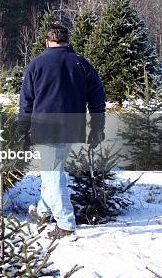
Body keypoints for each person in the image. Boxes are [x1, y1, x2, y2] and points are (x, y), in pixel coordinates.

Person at [19, 24, 105, 239]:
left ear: (47, 41)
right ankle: (43, 212)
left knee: (53, 173)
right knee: (52, 170)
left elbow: (26, 102)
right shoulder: (81, 63)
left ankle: (66, 224)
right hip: (72, 126)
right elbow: (97, 98)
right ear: (67, 41)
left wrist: (23, 129)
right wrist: (97, 127)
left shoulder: (36, 64)